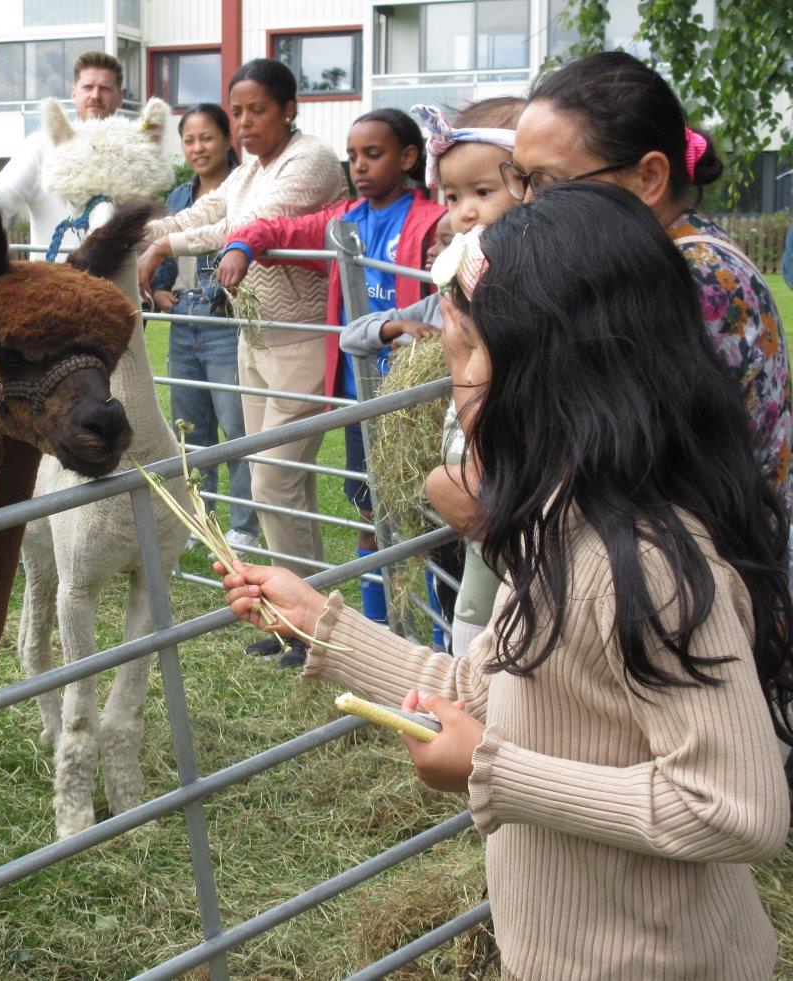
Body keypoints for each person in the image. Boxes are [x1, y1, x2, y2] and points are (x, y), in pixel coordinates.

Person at [222, 183, 792, 979]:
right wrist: (323, 623)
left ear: (547, 374)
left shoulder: (636, 565)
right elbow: (492, 687)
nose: (452, 390)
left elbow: (735, 809)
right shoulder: (561, 527)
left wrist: (493, 771)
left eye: (462, 355)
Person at [507, 51, 793, 530]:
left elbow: (610, 468)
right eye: (520, 179)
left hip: (714, 582)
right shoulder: (659, 260)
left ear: (648, 178)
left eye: (547, 183)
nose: (526, 207)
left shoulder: (692, 283)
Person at [136, 59, 345, 657]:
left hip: (301, 337)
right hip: (256, 334)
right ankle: (302, 621)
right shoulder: (252, 166)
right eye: (239, 112)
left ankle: (313, 628)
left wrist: (163, 246)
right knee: (277, 485)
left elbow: (249, 224)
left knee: (277, 480)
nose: (246, 124)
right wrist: (136, 232)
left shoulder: (311, 160)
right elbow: (207, 210)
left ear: (289, 109)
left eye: (258, 111)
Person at [217, 108, 444, 644]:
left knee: (427, 519)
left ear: (408, 158)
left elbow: (466, 243)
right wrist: (242, 245)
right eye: (354, 156)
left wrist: (452, 237)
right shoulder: (344, 220)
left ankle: (437, 640)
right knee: (368, 512)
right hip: (357, 395)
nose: (360, 167)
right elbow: (278, 227)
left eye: (374, 154)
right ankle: (375, 629)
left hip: (417, 399)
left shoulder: (431, 220)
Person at [340, 97, 522, 656]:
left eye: (483, 193)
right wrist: (397, 327)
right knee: (460, 595)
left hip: (513, 480)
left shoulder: (538, 294)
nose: (463, 213)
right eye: (452, 197)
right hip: (459, 476)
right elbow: (352, 335)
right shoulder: (449, 296)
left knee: (506, 603)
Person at [148, 104, 260, 553]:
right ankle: (203, 519)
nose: (198, 147)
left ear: (227, 139)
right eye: (189, 140)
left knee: (236, 425)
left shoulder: (246, 189)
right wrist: (158, 291)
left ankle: (244, 526)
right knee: (190, 429)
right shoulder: (178, 198)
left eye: (207, 137)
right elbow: (160, 257)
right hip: (182, 322)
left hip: (225, 321)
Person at [0, 50, 124, 257]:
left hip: (117, 286)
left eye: (104, 88)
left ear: (120, 96)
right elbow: (4, 192)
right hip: (54, 285)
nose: (95, 95)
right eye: (88, 87)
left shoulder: (135, 156)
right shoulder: (41, 145)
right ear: (74, 92)